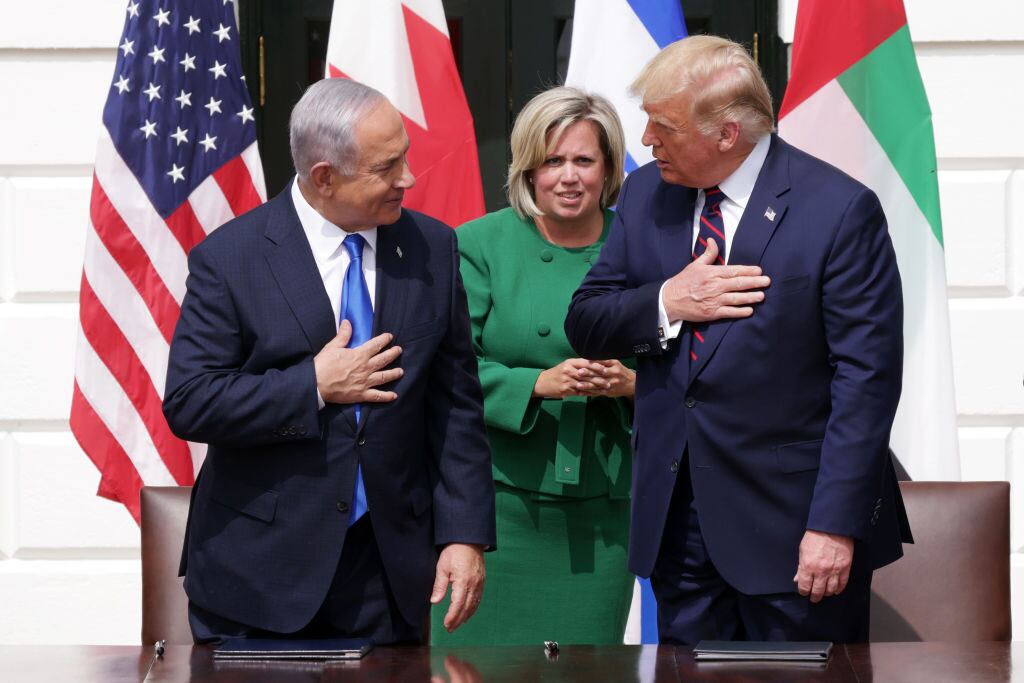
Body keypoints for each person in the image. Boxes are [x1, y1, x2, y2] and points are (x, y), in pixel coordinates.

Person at [564, 36, 912, 644]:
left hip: (795, 533)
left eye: (664, 126)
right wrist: (666, 301)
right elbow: (587, 320)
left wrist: (833, 525)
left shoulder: (838, 210)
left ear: (727, 134)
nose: (646, 140)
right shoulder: (646, 195)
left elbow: (867, 382)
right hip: (678, 530)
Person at [163, 77, 496, 645]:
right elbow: (191, 401)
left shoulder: (432, 248)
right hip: (260, 578)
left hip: (388, 575)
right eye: (386, 167)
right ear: (324, 177)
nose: (408, 179)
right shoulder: (231, 258)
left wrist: (463, 534)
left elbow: (456, 405)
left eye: (404, 156)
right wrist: (313, 385)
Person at [431, 86, 636, 646]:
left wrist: (630, 384)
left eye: (584, 160)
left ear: (608, 168)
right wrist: (536, 384)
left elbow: (688, 368)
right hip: (497, 507)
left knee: (583, 668)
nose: (568, 177)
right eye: (552, 161)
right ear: (527, 169)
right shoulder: (478, 243)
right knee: (470, 669)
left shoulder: (642, 245)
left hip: (604, 509)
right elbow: (447, 370)